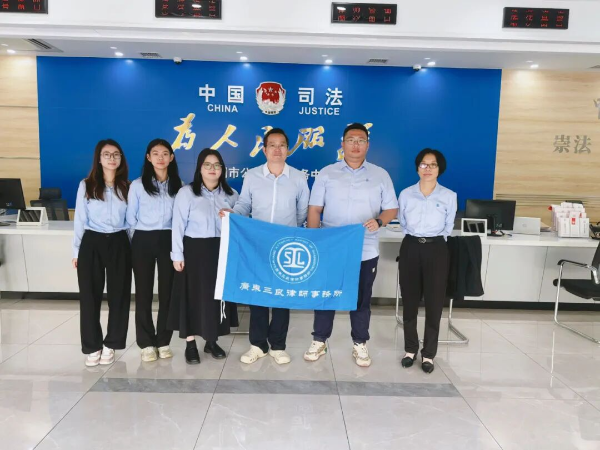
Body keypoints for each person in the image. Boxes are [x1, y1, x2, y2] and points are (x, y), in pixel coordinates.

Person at [304, 123, 398, 367]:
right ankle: (319, 340)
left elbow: (391, 209)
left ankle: (360, 343)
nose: (355, 145)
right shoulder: (327, 173)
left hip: (365, 248)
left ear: (368, 145)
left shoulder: (380, 175)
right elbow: (314, 209)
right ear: (342, 144)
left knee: (361, 299)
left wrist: (379, 221)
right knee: (326, 295)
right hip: (331, 247)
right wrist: (315, 242)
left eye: (360, 140)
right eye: (351, 140)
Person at [221, 127, 309, 365]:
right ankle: (258, 345)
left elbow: (302, 213)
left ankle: (278, 345)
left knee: (282, 297)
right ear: (264, 149)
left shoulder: (298, 178)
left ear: (288, 149)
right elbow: (244, 205)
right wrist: (233, 214)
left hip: (285, 246)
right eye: (272, 145)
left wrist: (288, 233)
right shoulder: (252, 176)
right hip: (257, 245)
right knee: (258, 294)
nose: (277, 149)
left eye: (282, 145)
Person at [168, 148, 239, 364]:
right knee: (192, 297)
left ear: (222, 169)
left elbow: (240, 224)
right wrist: (177, 255)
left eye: (217, 165)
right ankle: (190, 344)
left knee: (215, 297)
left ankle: (211, 340)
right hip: (194, 250)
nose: (212, 169)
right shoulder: (187, 193)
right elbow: (177, 225)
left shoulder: (231, 195)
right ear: (200, 168)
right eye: (207, 164)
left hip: (221, 250)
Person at [72, 139, 131, 367]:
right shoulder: (86, 185)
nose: (112, 158)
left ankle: (111, 343)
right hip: (92, 242)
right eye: (107, 154)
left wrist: (132, 249)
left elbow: (131, 222)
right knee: (89, 296)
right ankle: (92, 345)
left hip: (119, 241)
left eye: (116, 154)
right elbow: (80, 219)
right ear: (99, 158)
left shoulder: (127, 187)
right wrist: (76, 251)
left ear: (121, 158)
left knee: (119, 296)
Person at [397, 148, 457, 374]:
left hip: (436, 249)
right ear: (417, 168)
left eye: (433, 165)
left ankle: (429, 354)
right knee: (409, 301)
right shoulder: (406, 194)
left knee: (434, 303)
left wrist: (432, 241)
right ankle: (410, 349)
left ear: (439, 169)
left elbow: (448, 227)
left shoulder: (449, 196)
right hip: (411, 246)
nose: (428, 168)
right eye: (423, 164)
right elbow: (403, 223)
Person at [127, 139, 182, 362]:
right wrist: (137, 242)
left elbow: (181, 219)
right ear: (148, 157)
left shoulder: (180, 186)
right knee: (143, 293)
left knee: (168, 293)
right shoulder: (137, 185)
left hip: (169, 239)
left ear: (171, 157)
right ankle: (146, 343)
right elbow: (130, 219)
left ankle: (163, 341)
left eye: (165, 153)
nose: (161, 157)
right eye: (156, 153)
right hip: (143, 238)